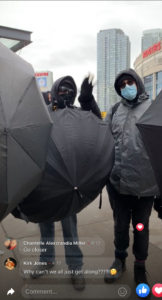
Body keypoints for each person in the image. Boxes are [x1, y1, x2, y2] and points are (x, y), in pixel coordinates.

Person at [30, 74, 101, 291]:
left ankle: (75, 267)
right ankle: (46, 259)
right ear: (54, 91)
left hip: (69, 181)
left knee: (69, 227)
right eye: (62, 89)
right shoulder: (44, 113)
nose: (66, 93)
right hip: (44, 180)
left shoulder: (78, 114)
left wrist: (87, 100)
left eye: (70, 90)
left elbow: (97, 123)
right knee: (45, 225)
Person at [104, 68, 160, 289]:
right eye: (122, 85)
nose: (126, 87)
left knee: (140, 226)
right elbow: (103, 141)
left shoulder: (154, 109)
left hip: (145, 186)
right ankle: (119, 260)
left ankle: (140, 266)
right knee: (119, 225)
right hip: (117, 182)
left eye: (130, 82)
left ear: (138, 82)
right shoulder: (115, 110)